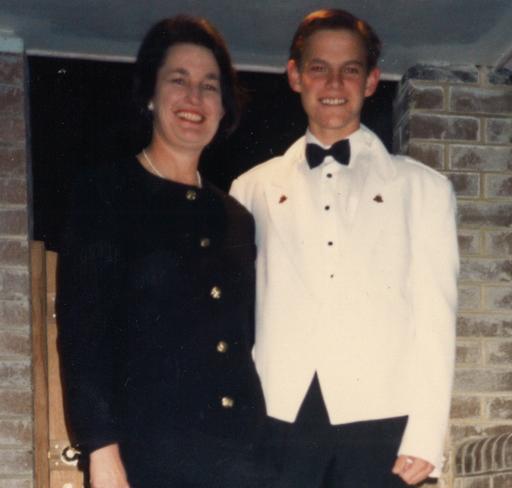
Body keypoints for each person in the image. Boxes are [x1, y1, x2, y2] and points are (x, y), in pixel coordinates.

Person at [230, 8, 459, 488]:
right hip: (277, 418)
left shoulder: (424, 189)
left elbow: (437, 317)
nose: (334, 82)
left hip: (382, 419)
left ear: (371, 80)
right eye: (318, 67)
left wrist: (426, 433)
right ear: (295, 75)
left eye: (350, 69)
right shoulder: (250, 189)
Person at [57, 15, 271, 488]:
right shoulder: (106, 194)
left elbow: (242, 343)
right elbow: (84, 337)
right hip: (147, 457)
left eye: (209, 86)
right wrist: (101, 451)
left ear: (223, 107)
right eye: (179, 80)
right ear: (151, 95)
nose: (194, 98)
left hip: (239, 459)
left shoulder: (237, 217)